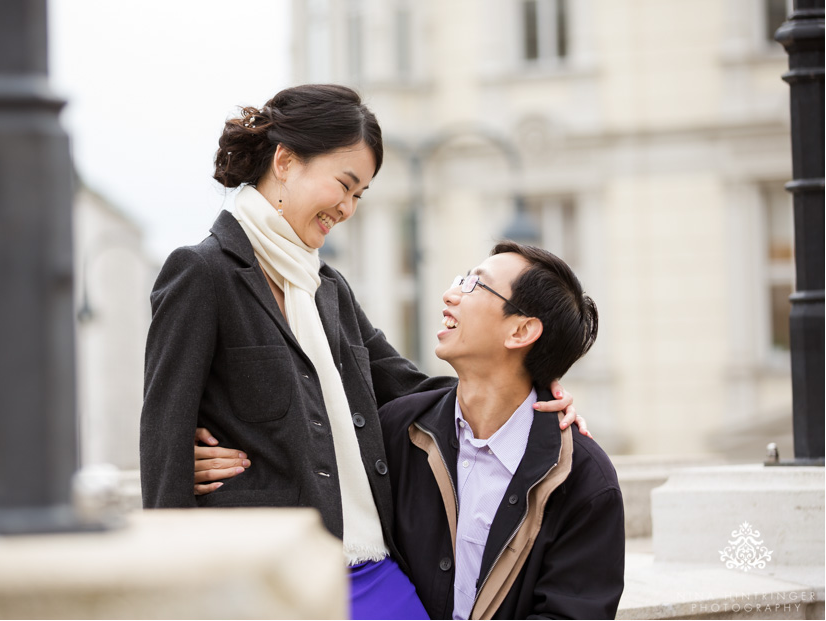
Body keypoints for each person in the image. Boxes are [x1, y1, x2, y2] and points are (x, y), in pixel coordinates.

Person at [141, 84, 583, 620]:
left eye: (360, 196)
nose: (348, 208)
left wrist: (531, 396)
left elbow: (412, 388)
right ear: (285, 161)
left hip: (368, 565)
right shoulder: (202, 273)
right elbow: (164, 439)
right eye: (345, 186)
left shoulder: (329, 289)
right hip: (261, 576)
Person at [378, 241, 625, 620]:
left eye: (476, 284)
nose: (450, 293)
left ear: (521, 331)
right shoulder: (398, 430)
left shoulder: (584, 481)